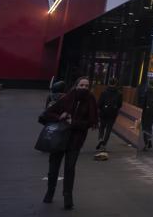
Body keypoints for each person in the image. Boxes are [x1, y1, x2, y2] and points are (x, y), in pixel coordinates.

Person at [42, 76, 98, 209]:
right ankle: (49, 193)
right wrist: (60, 117)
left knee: (70, 169)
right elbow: (47, 114)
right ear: (76, 85)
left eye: (86, 86)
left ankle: (68, 198)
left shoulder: (90, 100)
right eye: (81, 85)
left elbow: (91, 122)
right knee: (53, 168)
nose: (84, 88)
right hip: (59, 139)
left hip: (75, 141)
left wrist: (74, 123)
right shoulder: (66, 98)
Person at [96, 77, 123, 150]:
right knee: (109, 128)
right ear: (116, 84)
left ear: (109, 83)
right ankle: (104, 144)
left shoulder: (104, 92)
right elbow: (120, 105)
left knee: (102, 127)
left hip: (103, 112)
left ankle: (100, 138)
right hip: (113, 113)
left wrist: (100, 109)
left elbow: (99, 103)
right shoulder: (119, 93)